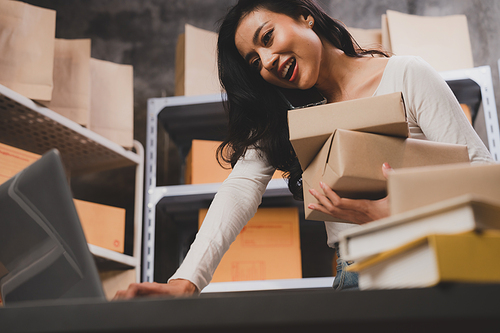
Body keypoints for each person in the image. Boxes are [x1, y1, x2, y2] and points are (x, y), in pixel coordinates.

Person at [114, 0, 494, 299]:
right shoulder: (285, 116)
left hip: (432, 262)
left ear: (304, 16)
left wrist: (388, 212)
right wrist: (187, 280)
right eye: (254, 62)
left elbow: (482, 178)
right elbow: (240, 188)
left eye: (267, 38)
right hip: (357, 275)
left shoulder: (405, 75)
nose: (267, 63)